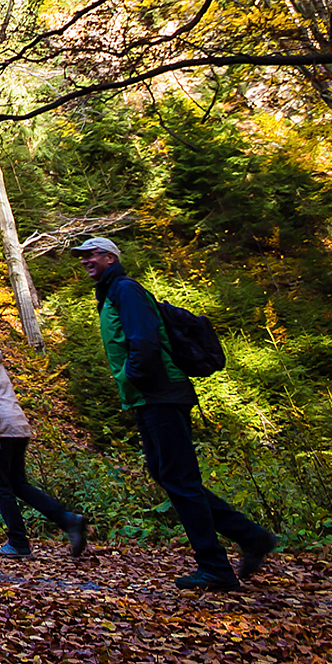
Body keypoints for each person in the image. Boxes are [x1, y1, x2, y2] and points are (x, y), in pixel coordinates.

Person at [73, 236, 277, 591]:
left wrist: (138, 377)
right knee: (168, 475)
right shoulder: (110, 293)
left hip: (160, 394)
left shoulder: (125, 289)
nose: (85, 261)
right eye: (82, 257)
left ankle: (216, 565)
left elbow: (146, 339)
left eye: (91, 255)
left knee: (180, 479)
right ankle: (252, 537)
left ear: (110, 257)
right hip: (151, 397)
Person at [0, 312, 89, 560]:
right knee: (18, 483)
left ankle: (18, 542)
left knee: (1, 486)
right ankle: (68, 520)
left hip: (0, 429)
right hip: (16, 426)